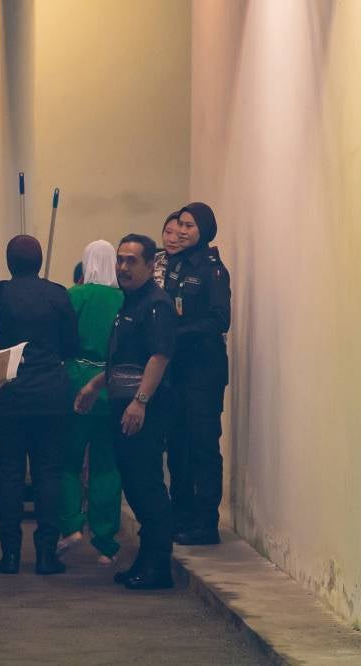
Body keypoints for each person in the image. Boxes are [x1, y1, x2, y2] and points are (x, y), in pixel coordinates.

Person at [75, 234, 176, 590]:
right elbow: (123, 359)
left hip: (143, 411)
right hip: (122, 404)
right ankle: (145, 563)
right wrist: (95, 385)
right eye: (120, 260)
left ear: (151, 266)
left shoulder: (156, 304)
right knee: (134, 486)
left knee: (147, 487)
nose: (123, 267)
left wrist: (140, 401)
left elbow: (158, 356)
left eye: (132, 261)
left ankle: (158, 568)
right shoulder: (129, 302)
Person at [0, 235, 78, 575]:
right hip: (51, 396)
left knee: (8, 475)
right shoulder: (58, 294)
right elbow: (71, 345)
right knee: (47, 475)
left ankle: (9, 555)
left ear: (8, 264)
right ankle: (45, 555)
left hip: (6, 393)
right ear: (39, 263)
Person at [163, 202, 231, 545]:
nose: (183, 231)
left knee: (202, 445)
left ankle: (206, 523)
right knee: (177, 445)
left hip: (203, 371)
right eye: (180, 225)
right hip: (176, 370)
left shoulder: (212, 270)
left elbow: (221, 320)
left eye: (190, 225)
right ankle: (182, 516)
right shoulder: (175, 265)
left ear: (204, 229)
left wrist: (179, 332)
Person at [57, 240, 125, 566]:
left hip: (75, 384)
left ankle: (70, 527)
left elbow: (62, 341)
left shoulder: (73, 296)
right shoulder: (124, 299)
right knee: (107, 465)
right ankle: (106, 542)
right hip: (112, 389)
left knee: (68, 459)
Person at [153, 211, 182, 288]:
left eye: (179, 235)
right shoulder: (152, 260)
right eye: (168, 232)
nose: (172, 240)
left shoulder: (195, 265)